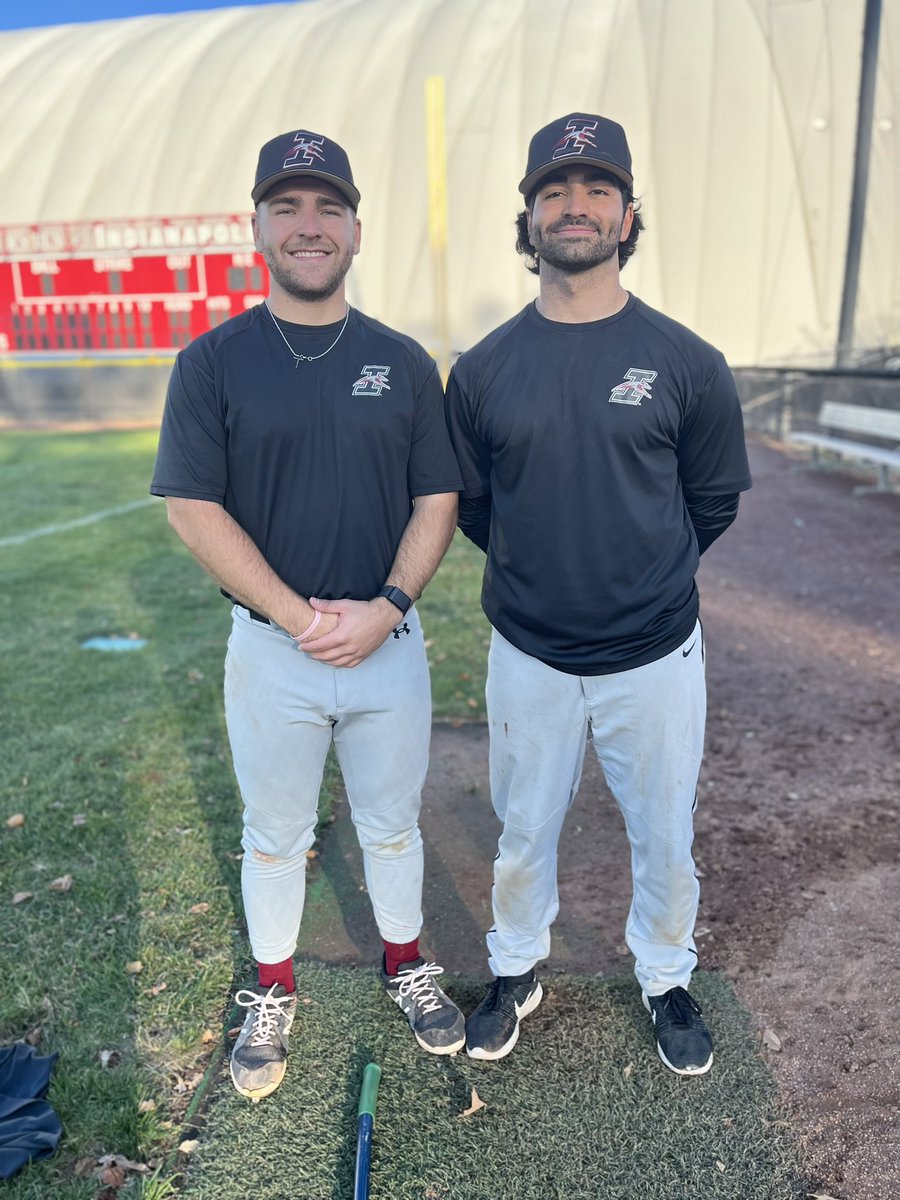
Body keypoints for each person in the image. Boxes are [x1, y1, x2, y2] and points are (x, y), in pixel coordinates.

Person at [150, 128, 465, 1102]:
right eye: (286, 206)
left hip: (387, 645)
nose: (309, 224)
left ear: (357, 231)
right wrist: (299, 618)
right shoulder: (213, 362)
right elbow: (191, 507)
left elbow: (438, 497)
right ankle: (275, 988)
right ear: (257, 229)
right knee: (275, 834)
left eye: (329, 206)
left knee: (393, 826)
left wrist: (387, 606)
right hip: (272, 650)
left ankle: (405, 962)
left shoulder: (402, 362)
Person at [444, 113, 752, 1075]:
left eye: (596, 189)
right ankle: (516, 967)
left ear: (626, 215)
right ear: (529, 218)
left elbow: (711, 499)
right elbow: (475, 504)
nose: (574, 206)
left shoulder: (686, 360)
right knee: (523, 831)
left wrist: (640, 573)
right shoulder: (484, 368)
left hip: (654, 651)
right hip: (529, 650)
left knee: (664, 834)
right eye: (554, 191)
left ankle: (665, 976)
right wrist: (545, 572)